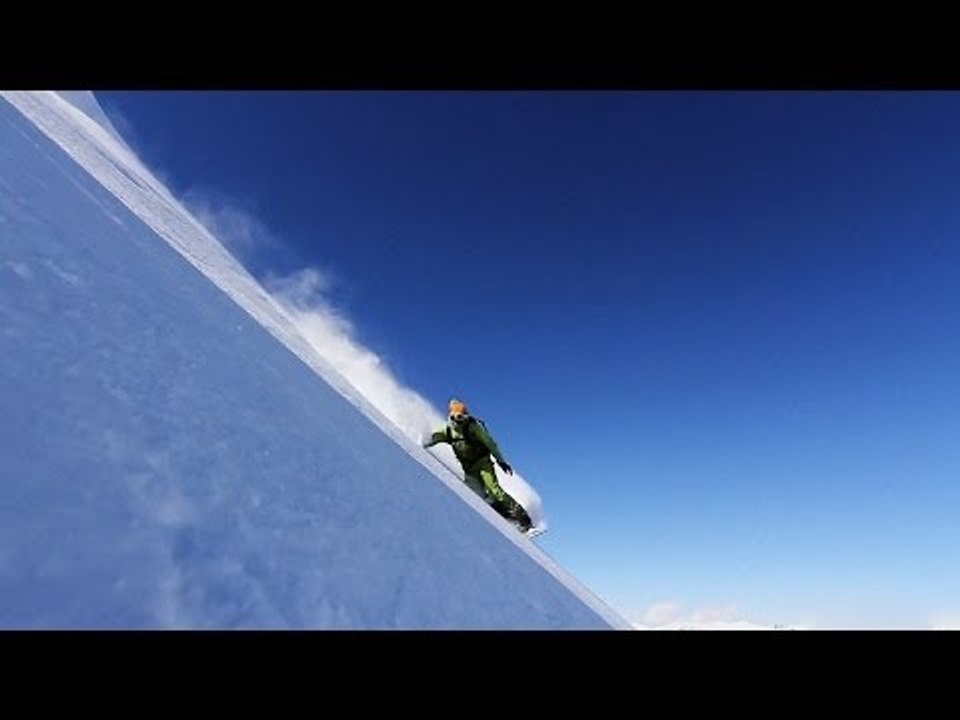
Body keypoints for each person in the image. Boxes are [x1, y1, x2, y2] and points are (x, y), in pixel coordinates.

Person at [423, 399, 533, 532]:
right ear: (451, 416)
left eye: (463, 416)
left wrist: (501, 461)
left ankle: (524, 520)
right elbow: (435, 437)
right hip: (468, 468)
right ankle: (503, 515)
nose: (460, 420)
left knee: (494, 489)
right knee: (474, 495)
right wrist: (423, 441)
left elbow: (490, 443)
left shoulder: (474, 427)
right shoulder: (448, 430)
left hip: (483, 463)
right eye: (457, 417)